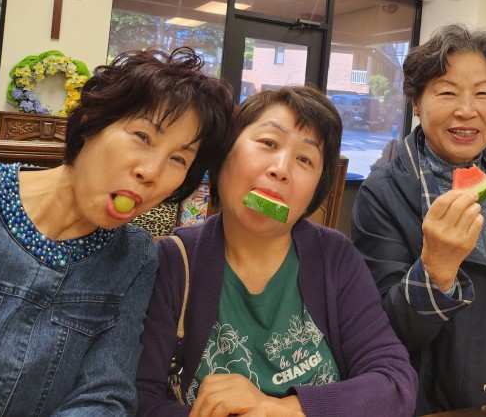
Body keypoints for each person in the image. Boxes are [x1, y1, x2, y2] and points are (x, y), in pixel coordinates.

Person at [0, 47, 235, 415]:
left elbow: (104, 394)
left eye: (178, 159)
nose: (151, 172)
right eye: (142, 136)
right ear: (90, 122)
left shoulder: (135, 258)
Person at [136, 85, 418, 417]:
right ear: (224, 154)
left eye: (305, 159)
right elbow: (139, 401)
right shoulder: (172, 261)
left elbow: (394, 383)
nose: (281, 169)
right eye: (268, 143)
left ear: (314, 193)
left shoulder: (335, 257)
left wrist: (281, 409)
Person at [351, 24, 486, 414]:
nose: (466, 110)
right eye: (447, 92)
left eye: (482, 93)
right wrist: (436, 268)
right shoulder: (384, 193)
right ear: (417, 102)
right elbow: (382, 332)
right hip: (439, 407)